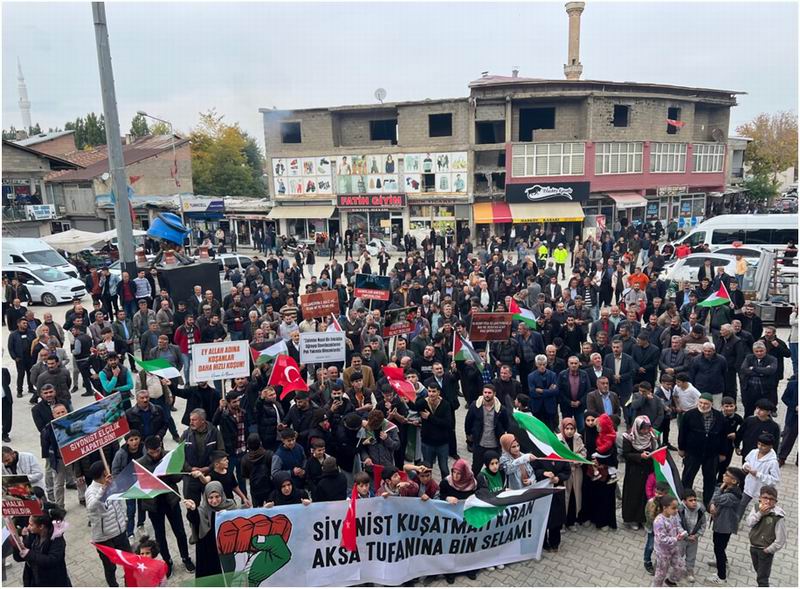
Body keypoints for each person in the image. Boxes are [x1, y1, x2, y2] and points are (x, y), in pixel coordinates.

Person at [137, 435, 195, 576]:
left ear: (161, 446)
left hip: (171, 501)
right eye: (152, 452)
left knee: (180, 532)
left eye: (157, 450)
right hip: (154, 504)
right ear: (147, 450)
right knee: (160, 536)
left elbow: (179, 475)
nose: (155, 454)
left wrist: (168, 474)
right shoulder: (141, 463)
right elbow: (141, 486)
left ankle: (185, 557)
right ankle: (167, 561)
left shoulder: (170, 456)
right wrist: (153, 481)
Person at [85, 461, 132, 587]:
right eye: (107, 469)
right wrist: (103, 489)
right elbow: (91, 506)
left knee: (129, 562)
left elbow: (119, 501)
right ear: (104, 473)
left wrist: (124, 518)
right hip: (105, 538)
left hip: (120, 532)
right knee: (110, 568)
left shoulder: (112, 484)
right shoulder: (91, 491)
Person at [679, 393, 726, 507]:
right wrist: (681, 448)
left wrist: (722, 452)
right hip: (692, 453)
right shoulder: (689, 415)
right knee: (687, 477)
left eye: (706, 404)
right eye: (701, 403)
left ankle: (707, 502)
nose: (703, 406)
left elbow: (723, 436)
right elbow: (682, 433)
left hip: (711, 454)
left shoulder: (719, 417)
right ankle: (685, 500)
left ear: (711, 404)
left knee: (710, 479)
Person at [184, 482, 236, 579]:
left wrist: (265, 510)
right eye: (210, 497)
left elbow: (241, 518)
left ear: (222, 494)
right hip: (209, 552)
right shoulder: (203, 509)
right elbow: (194, 520)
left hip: (226, 550)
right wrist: (192, 510)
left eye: (217, 496)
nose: (214, 501)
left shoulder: (230, 505)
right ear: (206, 497)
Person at [12, 507, 71, 587]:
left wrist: (29, 554)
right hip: (34, 580)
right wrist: (17, 545)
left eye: (31, 525)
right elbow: (19, 558)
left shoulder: (57, 540)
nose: (28, 527)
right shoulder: (32, 536)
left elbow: (51, 560)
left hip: (53, 581)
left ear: (41, 526)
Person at [706, 467, 745, 585]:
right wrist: (713, 504)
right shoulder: (727, 489)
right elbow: (714, 498)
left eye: (727, 475)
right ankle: (723, 561)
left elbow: (716, 498)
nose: (723, 475)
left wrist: (720, 490)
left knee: (718, 548)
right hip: (721, 522)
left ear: (734, 481)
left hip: (725, 526)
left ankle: (721, 576)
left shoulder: (732, 496)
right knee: (720, 545)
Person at [745, 484, 786, 587]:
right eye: (765, 498)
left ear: (776, 502)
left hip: (765, 550)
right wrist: (760, 514)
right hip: (753, 546)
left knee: (762, 578)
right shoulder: (756, 508)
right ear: (760, 498)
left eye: (771, 499)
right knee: (758, 571)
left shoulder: (778, 517)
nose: (767, 501)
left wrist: (769, 550)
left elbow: (781, 539)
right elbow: (749, 523)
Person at [464, 384, 509, 476]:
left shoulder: (501, 409)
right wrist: (469, 435)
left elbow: (506, 424)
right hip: (479, 444)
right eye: (485, 392)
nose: (487, 395)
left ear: (494, 394)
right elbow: (468, 421)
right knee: (476, 468)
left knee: (495, 469)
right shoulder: (475, 406)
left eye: (489, 393)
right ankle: (474, 487)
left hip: (494, 445)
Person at [621, 415, 656, 530]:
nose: (645, 431)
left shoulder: (651, 435)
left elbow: (655, 448)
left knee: (645, 494)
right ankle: (632, 519)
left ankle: (643, 518)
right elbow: (626, 455)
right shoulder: (628, 437)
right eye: (643, 428)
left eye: (647, 428)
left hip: (647, 470)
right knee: (633, 495)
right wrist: (639, 456)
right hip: (634, 472)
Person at [738, 433, 780, 521]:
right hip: (749, 486)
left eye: (763, 446)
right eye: (759, 444)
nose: (760, 447)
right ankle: (735, 522)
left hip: (761, 491)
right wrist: (745, 467)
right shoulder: (753, 452)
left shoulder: (773, 462)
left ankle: (756, 525)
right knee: (741, 504)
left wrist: (758, 474)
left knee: (759, 509)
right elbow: (747, 461)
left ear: (770, 446)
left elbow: (774, 480)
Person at [652, 495, 688, 587]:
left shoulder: (673, 516)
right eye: (673, 508)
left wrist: (682, 532)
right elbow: (661, 539)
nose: (676, 510)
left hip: (674, 548)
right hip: (663, 552)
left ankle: (671, 581)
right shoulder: (659, 521)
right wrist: (676, 539)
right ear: (664, 508)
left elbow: (677, 526)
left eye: (677, 508)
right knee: (661, 573)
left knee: (680, 567)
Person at [556, 417, 584, 530]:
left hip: (576, 472)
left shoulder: (578, 438)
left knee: (574, 496)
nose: (569, 431)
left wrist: (580, 459)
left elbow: (583, 451)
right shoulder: (558, 440)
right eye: (567, 428)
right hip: (564, 473)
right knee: (564, 497)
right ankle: (561, 522)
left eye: (572, 428)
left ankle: (571, 522)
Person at [678, 488, 707, 584]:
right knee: (679, 554)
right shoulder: (680, 510)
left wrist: (697, 535)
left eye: (695, 500)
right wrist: (685, 535)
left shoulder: (701, 510)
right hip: (682, 538)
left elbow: (703, 524)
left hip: (694, 539)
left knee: (691, 555)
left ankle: (690, 571)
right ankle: (677, 570)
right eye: (690, 500)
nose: (694, 502)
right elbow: (677, 524)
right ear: (684, 501)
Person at [643, 481, 671, 576]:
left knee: (662, 547)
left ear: (666, 493)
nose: (657, 495)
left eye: (660, 494)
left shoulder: (668, 503)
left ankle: (659, 564)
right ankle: (647, 561)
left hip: (664, 530)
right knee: (650, 545)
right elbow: (649, 516)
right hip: (652, 529)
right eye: (656, 492)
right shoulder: (652, 502)